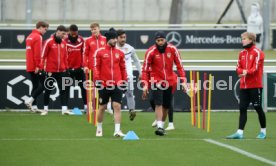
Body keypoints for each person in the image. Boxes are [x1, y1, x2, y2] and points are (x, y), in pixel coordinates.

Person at [141, 31, 187, 136]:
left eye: (162, 40)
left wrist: (183, 81)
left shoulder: (173, 49)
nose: (160, 42)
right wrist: (145, 85)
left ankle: (160, 124)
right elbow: (145, 70)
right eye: (158, 40)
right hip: (157, 81)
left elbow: (180, 66)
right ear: (155, 41)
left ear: (165, 40)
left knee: (166, 105)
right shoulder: (150, 52)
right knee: (158, 103)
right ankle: (160, 127)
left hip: (170, 82)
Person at [226, 32, 266, 139]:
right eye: (242, 38)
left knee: (258, 108)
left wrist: (245, 72)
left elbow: (255, 69)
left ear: (251, 40)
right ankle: (240, 133)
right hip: (244, 86)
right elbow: (237, 68)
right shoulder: (242, 53)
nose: (242, 40)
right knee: (242, 108)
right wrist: (243, 71)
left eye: (244, 38)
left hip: (255, 86)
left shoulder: (258, 53)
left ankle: (263, 131)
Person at [93, 28, 127, 137]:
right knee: (102, 107)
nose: (115, 41)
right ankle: (99, 128)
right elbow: (96, 67)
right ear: (108, 39)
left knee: (117, 106)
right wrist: (97, 80)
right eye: (113, 39)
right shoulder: (100, 52)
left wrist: (124, 81)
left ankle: (117, 130)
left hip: (117, 84)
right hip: (103, 84)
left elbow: (123, 69)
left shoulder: (120, 53)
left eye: (115, 39)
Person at [40, 25, 74, 116]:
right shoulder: (49, 42)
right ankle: (45, 109)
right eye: (63, 34)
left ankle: (64, 109)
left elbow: (65, 57)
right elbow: (43, 56)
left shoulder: (64, 43)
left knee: (63, 90)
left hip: (62, 71)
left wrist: (67, 69)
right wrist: (42, 68)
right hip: (50, 71)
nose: (64, 36)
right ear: (58, 31)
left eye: (65, 34)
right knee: (48, 90)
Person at [116, 29, 142, 121]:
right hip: (116, 76)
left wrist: (140, 72)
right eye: (121, 37)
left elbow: (136, 61)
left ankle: (132, 110)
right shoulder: (113, 48)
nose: (123, 39)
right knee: (116, 96)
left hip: (128, 76)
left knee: (130, 93)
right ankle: (116, 114)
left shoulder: (130, 48)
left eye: (124, 37)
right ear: (117, 38)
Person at [24, 21, 49, 113]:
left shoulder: (29, 36)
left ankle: (34, 107)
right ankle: (29, 100)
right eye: (45, 29)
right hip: (36, 66)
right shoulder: (38, 37)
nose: (45, 31)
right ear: (40, 27)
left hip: (30, 65)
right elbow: (37, 53)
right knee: (45, 84)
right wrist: (38, 66)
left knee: (35, 86)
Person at [64, 24, 87, 112]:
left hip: (79, 69)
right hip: (68, 70)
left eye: (75, 33)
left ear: (77, 32)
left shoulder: (81, 40)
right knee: (66, 88)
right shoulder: (65, 41)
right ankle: (64, 108)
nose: (74, 35)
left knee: (83, 87)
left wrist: (83, 66)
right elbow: (63, 56)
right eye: (72, 33)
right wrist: (66, 67)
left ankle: (86, 106)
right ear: (69, 32)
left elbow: (84, 54)